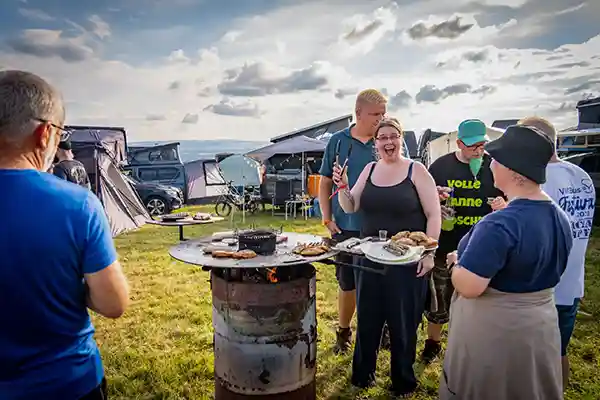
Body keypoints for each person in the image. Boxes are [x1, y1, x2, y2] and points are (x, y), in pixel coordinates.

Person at [0, 70, 130, 400]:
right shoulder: (77, 206)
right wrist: (77, 288)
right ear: (45, 134)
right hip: (66, 383)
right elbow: (113, 303)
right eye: (60, 133)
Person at [439, 125, 572, 400]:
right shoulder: (560, 216)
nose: (490, 165)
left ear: (512, 169)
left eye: (495, 160)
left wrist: (457, 262)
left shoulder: (499, 224)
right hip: (539, 329)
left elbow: (470, 286)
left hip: (498, 336)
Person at [334, 117, 441, 396]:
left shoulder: (416, 171)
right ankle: (362, 375)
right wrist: (344, 187)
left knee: (403, 323)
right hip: (369, 260)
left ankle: (403, 381)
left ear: (401, 139)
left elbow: (433, 215)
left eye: (394, 136)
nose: (388, 142)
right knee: (367, 319)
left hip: (406, 262)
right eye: (383, 138)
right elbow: (350, 207)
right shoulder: (368, 170)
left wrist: (429, 254)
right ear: (376, 143)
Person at [518, 116, 595, 390]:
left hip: (542, 288)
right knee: (560, 351)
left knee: (533, 360)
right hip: (572, 283)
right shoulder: (581, 175)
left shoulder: (540, 180)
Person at [422, 119, 504, 362]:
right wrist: (435, 200)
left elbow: (514, 200)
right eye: (473, 146)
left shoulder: (494, 166)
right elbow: (422, 200)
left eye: (482, 145)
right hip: (445, 245)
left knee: (479, 303)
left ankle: (473, 348)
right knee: (438, 299)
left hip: (483, 248)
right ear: (458, 143)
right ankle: (433, 343)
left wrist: (504, 204)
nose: (479, 150)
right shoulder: (440, 167)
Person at [318, 88, 386, 353]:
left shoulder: (384, 140)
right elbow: (324, 181)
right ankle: (344, 332)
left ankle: (380, 331)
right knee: (348, 283)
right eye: (374, 114)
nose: (379, 119)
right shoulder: (338, 141)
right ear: (358, 113)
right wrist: (326, 217)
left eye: (383, 113)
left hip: (379, 227)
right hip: (345, 226)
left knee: (379, 283)